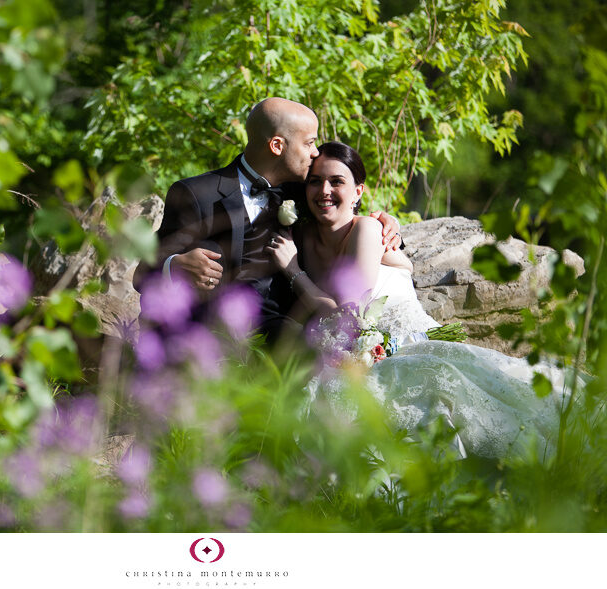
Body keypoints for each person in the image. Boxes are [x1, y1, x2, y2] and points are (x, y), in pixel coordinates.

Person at [268, 141, 574, 459]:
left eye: (337, 181)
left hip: (407, 347)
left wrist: (293, 272)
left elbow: (351, 311)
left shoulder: (369, 230)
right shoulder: (303, 237)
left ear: (359, 191)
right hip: (354, 357)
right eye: (315, 181)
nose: (324, 190)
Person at [133, 98, 401, 338]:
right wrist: (174, 266)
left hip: (285, 334)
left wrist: (387, 225)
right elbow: (141, 276)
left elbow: (347, 219)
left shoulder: (305, 192)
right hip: (210, 337)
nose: (316, 152)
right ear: (277, 145)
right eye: (309, 142)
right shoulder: (195, 193)